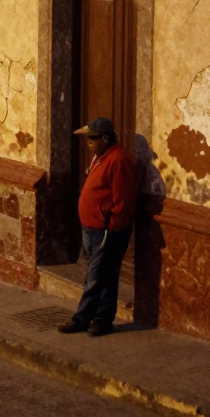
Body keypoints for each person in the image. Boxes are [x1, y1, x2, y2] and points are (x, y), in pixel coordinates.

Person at [58, 116, 138, 337]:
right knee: (102, 275)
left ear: (105, 138)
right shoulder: (100, 158)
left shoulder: (118, 160)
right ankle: (100, 320)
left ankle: (84, 319)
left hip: (105, 230)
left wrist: (111, 226)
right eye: (87, 138)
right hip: (93, 228)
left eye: (93, 138)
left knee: (97, 276)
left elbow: (123, 199)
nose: (89, 142)